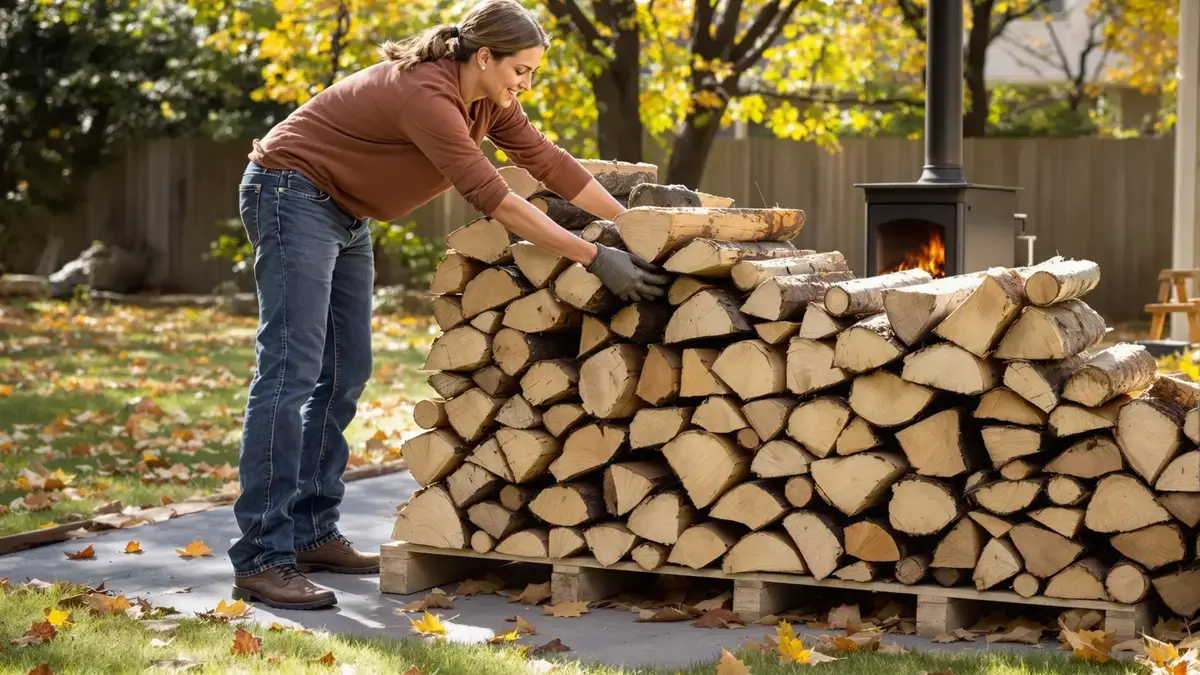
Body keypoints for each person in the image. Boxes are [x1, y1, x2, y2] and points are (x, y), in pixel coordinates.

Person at [228, 0, 670, 610]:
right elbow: (496, 198)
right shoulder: (427, 96)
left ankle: (309, 532)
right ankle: (260, 558)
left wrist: (634, 225)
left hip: (345, 212)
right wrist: (594, 258)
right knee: (290, 372)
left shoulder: (487, 99)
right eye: (522, 69)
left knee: (343, 372)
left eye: (533, 73)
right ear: (483, 56)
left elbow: (546, 162)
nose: (526, 83)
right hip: (291, 193)